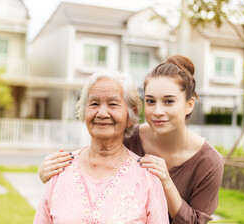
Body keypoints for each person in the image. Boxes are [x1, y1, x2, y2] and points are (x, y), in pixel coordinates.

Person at [38, 55, 224, 224]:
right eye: (151, 101)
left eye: (169, 101)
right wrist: (50, 172)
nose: (158, 111)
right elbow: (97, 153)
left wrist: (166, 182)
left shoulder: (208, 162)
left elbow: (196, 223)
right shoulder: (129, 136)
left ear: (189, 104)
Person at [33, 71, 169, 223]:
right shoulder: (60, 169)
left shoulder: (148, 178)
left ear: (131, 115)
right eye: (94, 104)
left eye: (113, 104)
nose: (102, 113)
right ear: (84, 112)